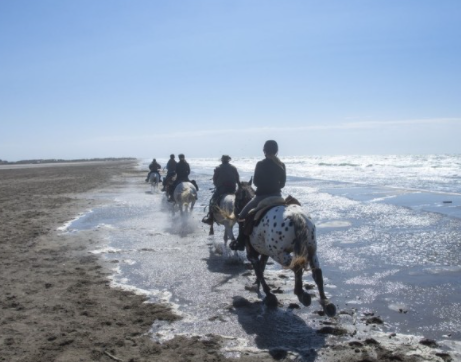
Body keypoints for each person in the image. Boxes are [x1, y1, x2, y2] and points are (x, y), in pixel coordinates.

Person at [230, 140, 286, 251]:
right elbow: (283, 184)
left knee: (241, 215)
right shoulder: (282, 165)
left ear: (264, 151)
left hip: (261, 197)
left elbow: (255, 182)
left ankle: (240, 242)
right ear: (276, 151)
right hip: (278, 197)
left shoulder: (260, 164)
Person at [202, 155, 240, 225]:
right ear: (228, 160)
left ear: (222, 160)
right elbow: (237, 179)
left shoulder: (218, 168)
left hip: (222, 189)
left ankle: (210, 217)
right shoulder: (233, 168)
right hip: (232, 188)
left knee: (213, 200)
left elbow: (214, 179)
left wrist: (217, 185)